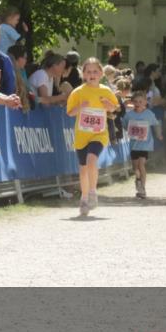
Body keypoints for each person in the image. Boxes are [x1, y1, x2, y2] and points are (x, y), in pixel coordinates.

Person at [65, 57, 119, 216]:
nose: (92, 74)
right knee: (83, 169)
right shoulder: (78, 92)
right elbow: (70, 112)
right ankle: (83, 198)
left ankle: (93, 192)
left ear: (101, 73)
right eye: (88, 72)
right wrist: (80, 107)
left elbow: (114, 108)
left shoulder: (105, 91)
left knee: (91, 160)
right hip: (82, 136)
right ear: (83, 74)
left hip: (99, 133)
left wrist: (109, 106)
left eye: (95, 71)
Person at [122, 91, 162, 198]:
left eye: (140, 101)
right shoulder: (129, 115)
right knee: (135, 167)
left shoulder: (149, 114)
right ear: (132, 102)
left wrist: (159, 134)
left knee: (141, 164)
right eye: (135, 101)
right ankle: (138, 181)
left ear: (145, 102)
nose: (138, 103)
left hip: (145, 144)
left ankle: (142, 188)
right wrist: (133, 131)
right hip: (134, 145)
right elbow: (125, 126)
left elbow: (156, 124)